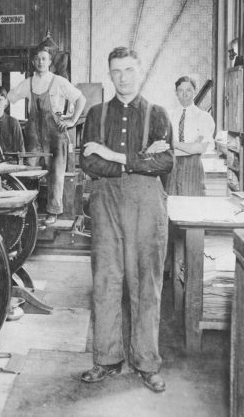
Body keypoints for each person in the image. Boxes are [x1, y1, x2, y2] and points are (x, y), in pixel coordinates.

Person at [79, 46, 173, 393]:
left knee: (146, 282)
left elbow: (164, 164)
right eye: (116, 71)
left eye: (129, 70)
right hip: (106, 204)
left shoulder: (159, 114)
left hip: (147, 206)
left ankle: (147, 363)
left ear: (140, 70)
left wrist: (113, 155)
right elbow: (89, 164)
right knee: (105, 280)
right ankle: (106, 359)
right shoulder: (95, 115)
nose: (123, 77)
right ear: (110, 73)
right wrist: (137, 159)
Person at [7, 46, 86, 225]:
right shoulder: (28, 83)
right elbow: (10, 98)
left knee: (55, 174)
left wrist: (72, 121)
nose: (41, 62)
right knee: (30, 172)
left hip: (55, 135)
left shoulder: (58, 81)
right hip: (34, 134)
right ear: (33, 62)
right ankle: (28, 209)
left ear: (50, 62)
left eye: (44, 58)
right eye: (38, 59)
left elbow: (81, 99)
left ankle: (53, 212)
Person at [166, 75, 215, 196]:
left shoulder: (203, 117)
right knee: (172, 207)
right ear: (175, 93)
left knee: (193, 208)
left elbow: (200, 148)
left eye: (188, 90)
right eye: (180, 90)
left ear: (195, 91)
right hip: (171, 168)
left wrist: (174, 144)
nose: (184, 94)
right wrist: (190, 146)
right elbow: (163, 144)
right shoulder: (169, 116)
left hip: (193, 169)